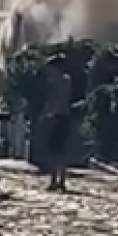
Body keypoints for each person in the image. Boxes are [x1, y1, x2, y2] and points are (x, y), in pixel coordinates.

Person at [42, 54, 72, 192]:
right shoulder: (65, 80)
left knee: (55, 151)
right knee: (59, 152)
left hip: (59, 117)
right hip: (63, 117)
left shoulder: (59, 81)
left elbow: (57, 102)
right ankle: (59, 180)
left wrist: (49, 114)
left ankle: (56, 181)